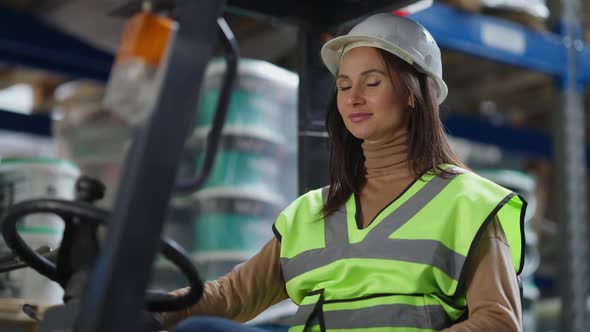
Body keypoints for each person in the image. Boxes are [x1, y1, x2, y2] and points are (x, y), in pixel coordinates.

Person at [162, 13, 526, 332]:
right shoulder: (310, 213)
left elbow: (499, 321)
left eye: (372, 83)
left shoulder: (469, 203)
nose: (353, 99)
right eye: (344, 85)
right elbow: (232, 296)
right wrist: (152, 308)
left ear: (415, 92)